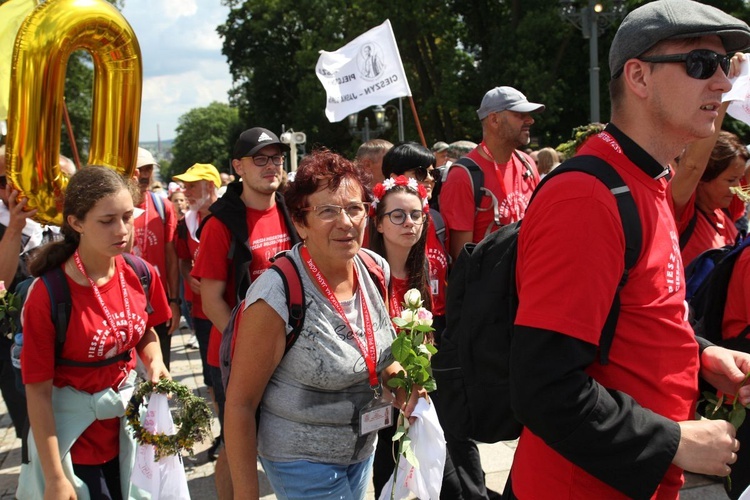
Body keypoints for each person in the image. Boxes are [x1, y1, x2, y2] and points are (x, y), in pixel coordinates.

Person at [508, 1, 750, 499]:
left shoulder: (645, 179)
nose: (723, 83)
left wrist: (702, 355)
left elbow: (631, 318)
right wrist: (675, 441)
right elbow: (543, 386)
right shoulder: (589, 196)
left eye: (725, 66)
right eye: (702, 64)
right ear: (638, 77)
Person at [224, 149, 423, 499]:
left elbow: (380, 355)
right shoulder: (277, 294)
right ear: (301, 222)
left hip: (360, 451)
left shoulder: (375, 269)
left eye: (354, 208)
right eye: (327, 211)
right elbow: (240, 404)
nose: (345, 222)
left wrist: (403, 380)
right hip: (300, 459)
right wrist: (246, 494)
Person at [19, 166, 170, 499]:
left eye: (128, 217)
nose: (122, 230)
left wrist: (155, 361)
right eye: (107, 220)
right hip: (73, 444)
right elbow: (38, 393)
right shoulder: (49, 293)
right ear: (76, 223)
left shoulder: (139, 272)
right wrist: (55, 477)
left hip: (131, 435)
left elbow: (145, 333)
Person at [192, 127, 300, 499]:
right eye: (260, 159)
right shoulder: (221, 223)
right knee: (239, 444)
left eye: (276, 158)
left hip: (288, 346)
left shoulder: (288, 209)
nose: (271, 166)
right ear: (238, 166)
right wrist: (247, 346)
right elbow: (211, 300)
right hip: (238, 353)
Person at [439, 86, 543, 261]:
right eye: (520, 114)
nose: (530, 120)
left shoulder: (528, 164)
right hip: (489, 286)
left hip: (528, 280)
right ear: (494, 119)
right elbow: (461, 259)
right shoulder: (462, 176)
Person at [172, 163, 221, 447]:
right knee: (211, 378)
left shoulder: (229, 217)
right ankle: (224, 433)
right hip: (201, 314)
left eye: (192, 186)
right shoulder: (185, 224)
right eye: (184, 186)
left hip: (229, 311)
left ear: (210, 187)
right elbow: (180, 258)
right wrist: (188, 276)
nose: (185, 192)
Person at [671, 99, 748, 265]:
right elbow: (692, 165)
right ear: (702, 178)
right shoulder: (682, 213)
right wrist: (724, 97)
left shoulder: (726, 210)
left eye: (739, 178)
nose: (738, 188)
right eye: (731, 180)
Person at [133, 147, 180, 370]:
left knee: (160, 370)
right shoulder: (113, 208)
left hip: (157, 304)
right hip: (125, 304)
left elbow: (172, 259)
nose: (144, 175)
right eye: (139, 169)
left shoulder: (164, 207)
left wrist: (174, 301)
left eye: (148, 169)